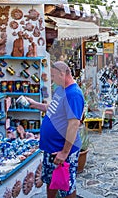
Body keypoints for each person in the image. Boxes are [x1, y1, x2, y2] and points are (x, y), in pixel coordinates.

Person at [26, 61, 84, 198]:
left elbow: (74, 124)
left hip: (62, 150)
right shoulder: (61, 89)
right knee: (50, 181)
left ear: (62, 74)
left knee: (66, 185)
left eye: (53, 75)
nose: (52, 79)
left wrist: (64, 152)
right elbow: (51, 109)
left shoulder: (74, 94)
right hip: (51, 148)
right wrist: (34, 104)